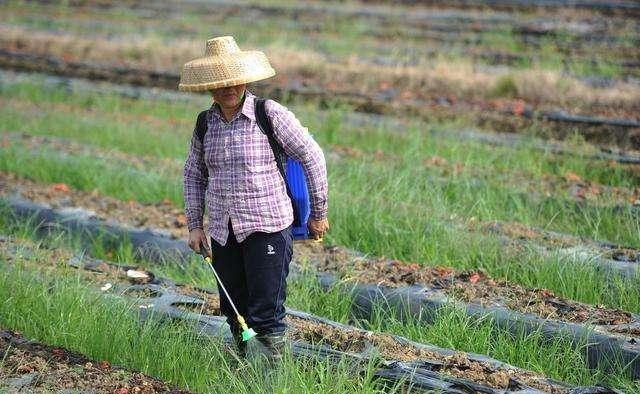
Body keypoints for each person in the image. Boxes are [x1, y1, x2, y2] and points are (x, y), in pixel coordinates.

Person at [179, 36, 329, 358]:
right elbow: (194, 174)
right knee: (236, 313)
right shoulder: (206, 124)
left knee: (266, 315)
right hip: (223, 231)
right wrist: (195, 225)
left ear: (244, 80)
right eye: (220, 84)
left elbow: (312, 156)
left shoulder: (269, 114)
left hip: (267, 226)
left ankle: (268, 380)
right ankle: (246, 371)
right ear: (210, 88)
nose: (229, 89)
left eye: (234, 81)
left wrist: (319, 212)